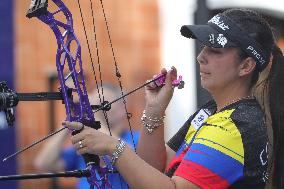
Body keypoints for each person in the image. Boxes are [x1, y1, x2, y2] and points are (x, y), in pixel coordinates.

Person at [62, 8, 284, 189]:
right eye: (203, 47)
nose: (200, 57)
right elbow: (152, 168)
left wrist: (113, 147)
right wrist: (155, 111)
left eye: (215, 50)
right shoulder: (211, 112)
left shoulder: (236, 125)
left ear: (246, 66)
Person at [34, 83, 139, 189]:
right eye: (94, 104)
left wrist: (94, 117)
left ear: (122, 109)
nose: (96, 109)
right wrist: (70, 119)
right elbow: (44, 163)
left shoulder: (136, 139)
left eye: (102, 104)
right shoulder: (88, 144)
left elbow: (128, 156)